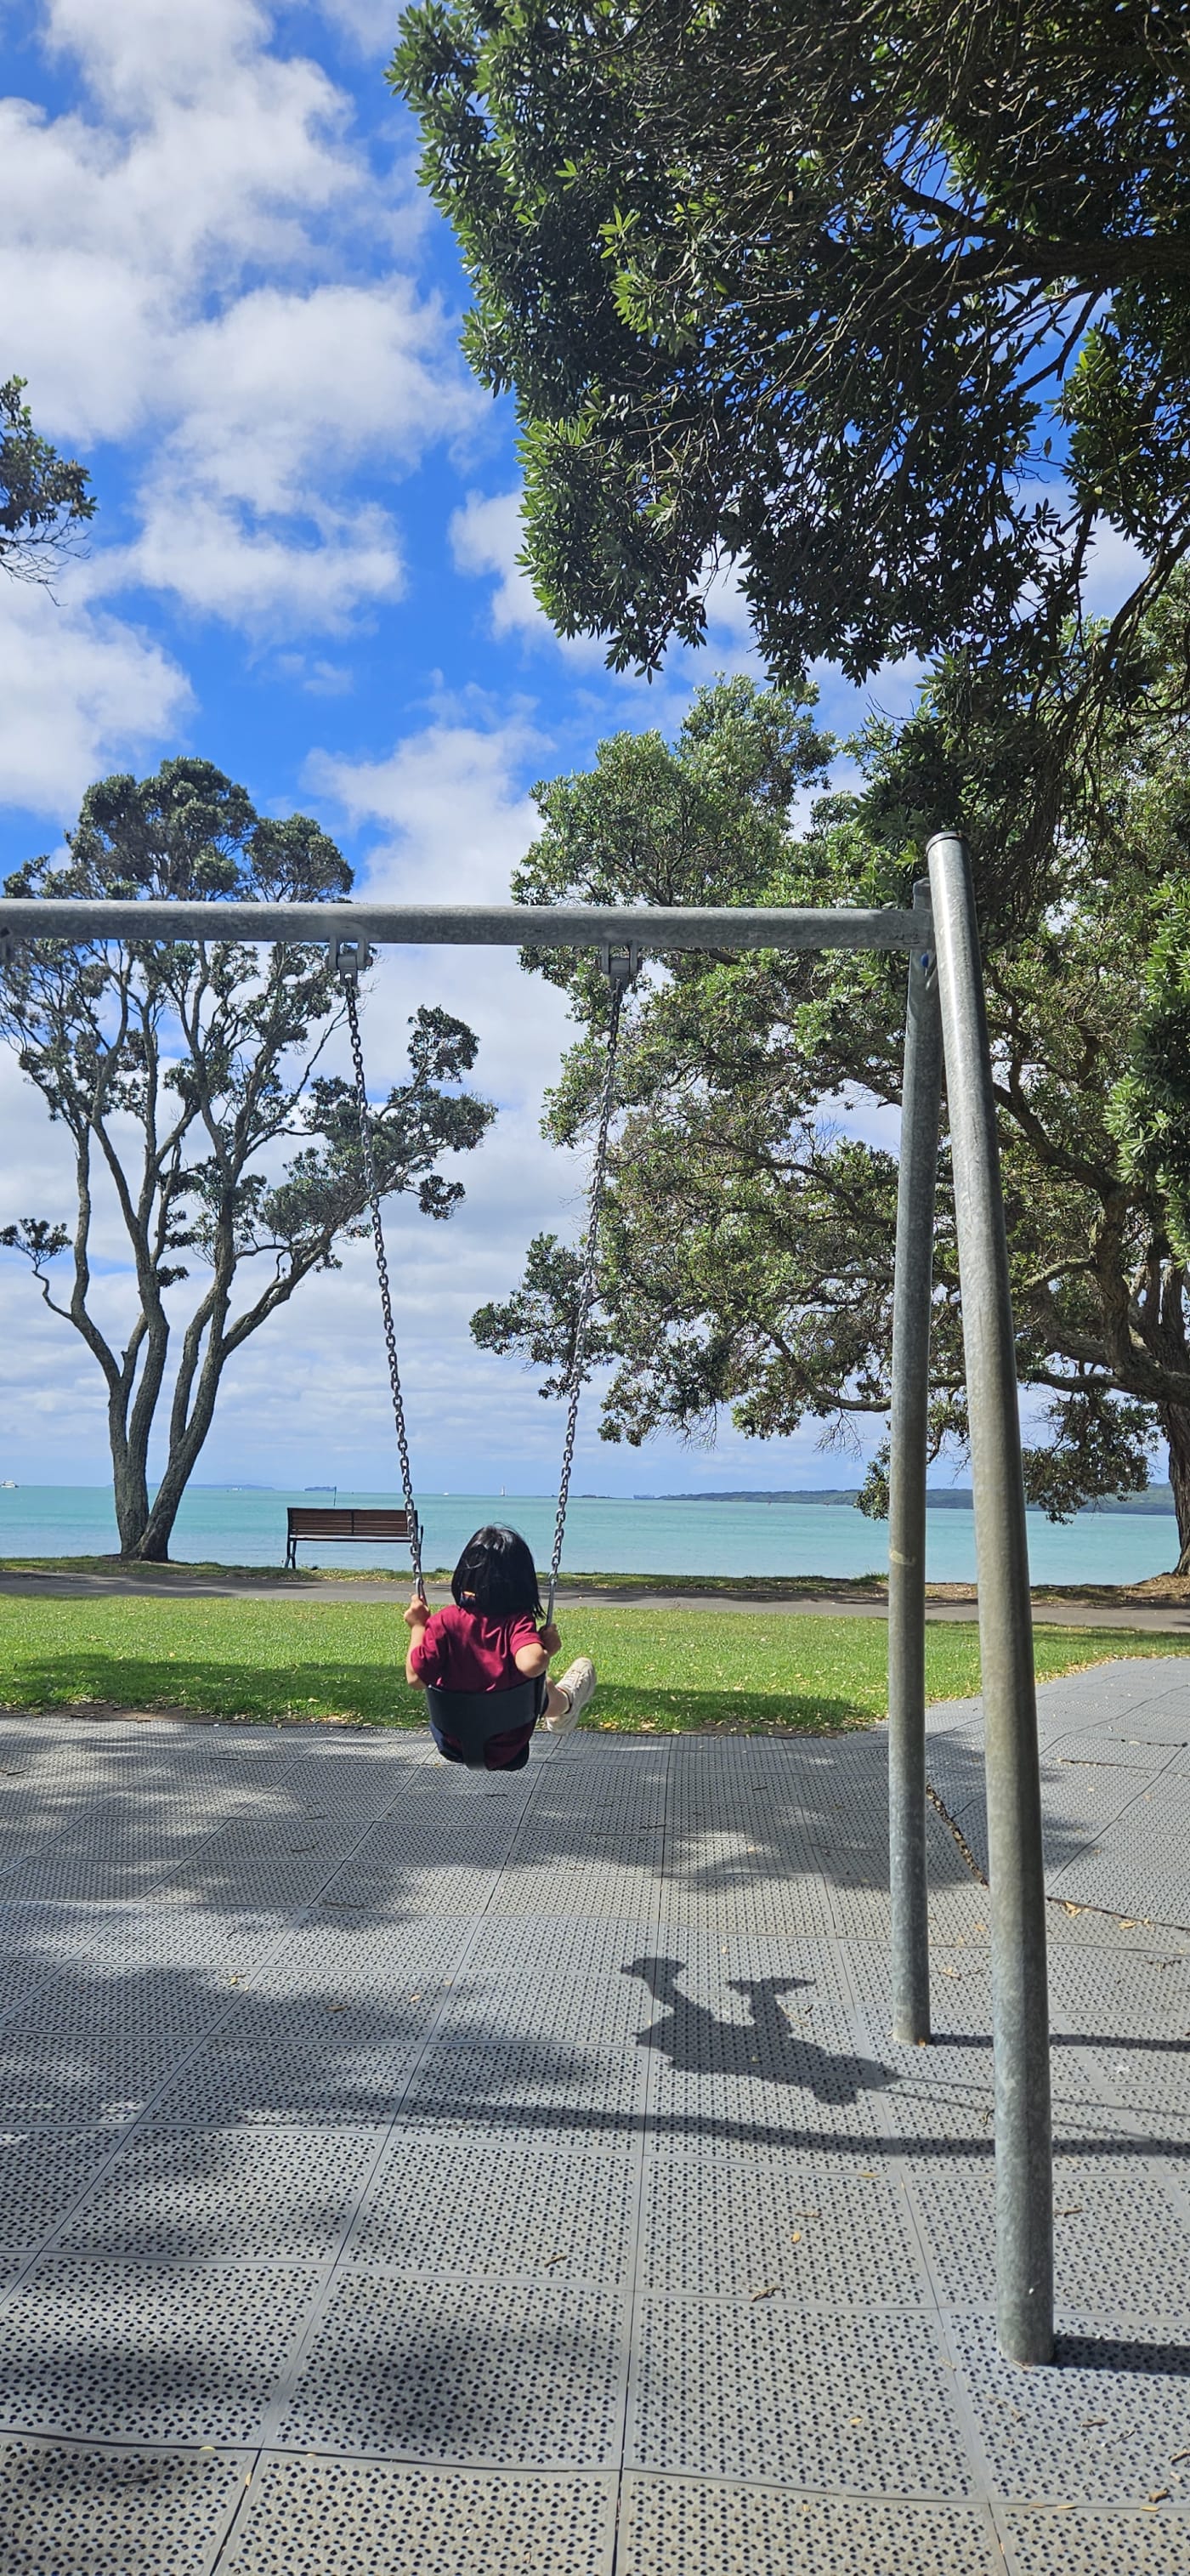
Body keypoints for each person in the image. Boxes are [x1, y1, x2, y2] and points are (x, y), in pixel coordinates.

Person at [404, 1523, 596, 1770]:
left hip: (452, 1741)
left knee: (534, 1685)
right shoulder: (517, 1622)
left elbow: (415, 1679)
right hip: (509, 1744)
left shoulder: (444, 1622)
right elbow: (532, 1663)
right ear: (522, 1583)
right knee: (540, 1688)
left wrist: (419, 1627)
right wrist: (547, 1650)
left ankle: (561, 1702)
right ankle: (567, 1703)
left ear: (464, 1574)